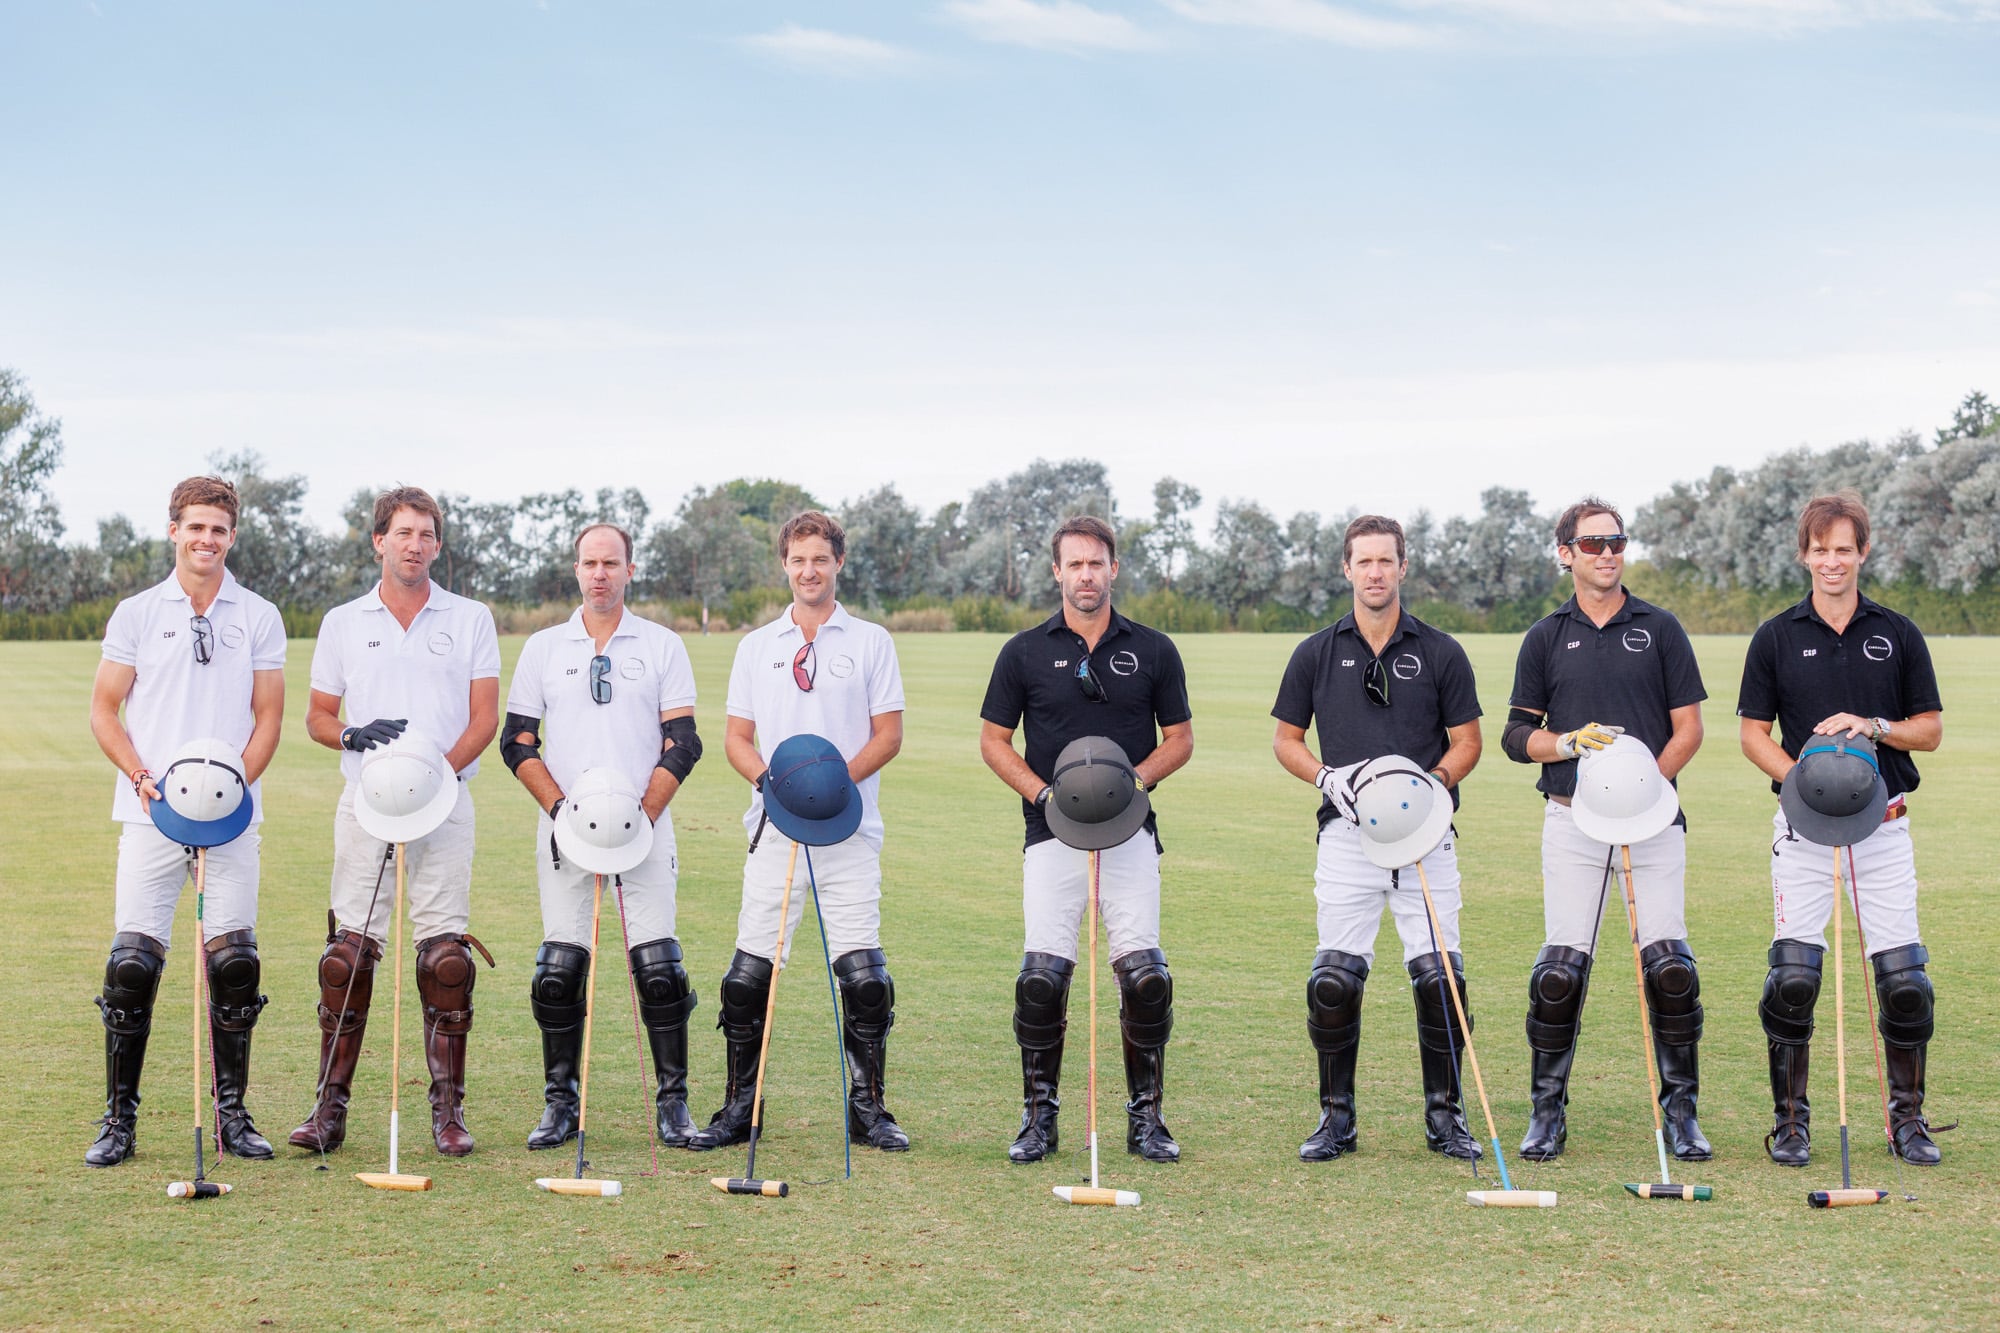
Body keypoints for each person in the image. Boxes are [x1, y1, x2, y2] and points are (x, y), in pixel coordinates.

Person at [687, 510, 910, 1153]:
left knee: (863, 974)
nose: (808, 570)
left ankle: (868, 1109)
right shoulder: (757, 646)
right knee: (748, 974)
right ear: (784, 565)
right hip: (774, 829)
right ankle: (739, 1107)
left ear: (838, 563)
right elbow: (736, 738)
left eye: (820, 558)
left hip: (850, 829)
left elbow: (887, 735)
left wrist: (834, 787)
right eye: (797, 559)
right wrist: (772, 785)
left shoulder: (871, 642)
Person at [289, 487, 500, 1157]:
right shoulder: (343, 621)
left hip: (445, 802)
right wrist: (352, 735)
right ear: (378, 540)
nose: (415, 543)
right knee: (346, 958)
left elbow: (484, 718)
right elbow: (318, 715)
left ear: (439, 544)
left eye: (427, 533)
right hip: (367, 803)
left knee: (445, 961)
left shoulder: (471, 617)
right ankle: (329, 1107)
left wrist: (437, 775)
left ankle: (449, 1113)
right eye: (403, 532)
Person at [1738, 490, 1946, 1166]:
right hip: (1803, 831)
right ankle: (1792, 1122)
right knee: (1793, 976)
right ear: (1805, 554)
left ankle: (1906, 1121)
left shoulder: (1899, 632)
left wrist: (1874, 725)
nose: (1833, 561)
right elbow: (1751, 734)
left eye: (1844, 549)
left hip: (1883, 828)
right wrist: (1800, 781)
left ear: (1862, 552)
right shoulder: (1775, 635)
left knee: (1905, 980)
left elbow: (1931, 731)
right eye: (1821, 549)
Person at [979, 515, 1195, 1165]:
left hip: (1130, 835)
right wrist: (1044, 793)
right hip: (1051, 835)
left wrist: (1136, 782)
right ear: (1057, 572)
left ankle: (1146, 1118)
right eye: (1074, 564)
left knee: (1146, 978)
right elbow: (994, 740)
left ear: (1113, 568)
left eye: (1096, 563)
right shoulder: (1023, 651)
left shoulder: (1153, 649)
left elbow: (1179, 738)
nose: (1086, 574)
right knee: (1042, 979)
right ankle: (1038, 1118)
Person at [84, 476, 286, 1167]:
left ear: (233, 536)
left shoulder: (258, 614)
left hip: (231, 817)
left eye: (219, 529)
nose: (206, 539)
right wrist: (145, 782)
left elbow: (268, 718)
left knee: (234, 963)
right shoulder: (137, 613)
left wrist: (229, 794)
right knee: (132, 966)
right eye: (195, 527)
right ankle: (119, 1119)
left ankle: (232, 1115)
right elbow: (105, 711)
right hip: (149, 814)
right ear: (174, 529)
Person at [1501, 497, 1710, 1162]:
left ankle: (1681, 1114)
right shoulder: (1544, 635)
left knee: (1670, 967)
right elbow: (1514, 735)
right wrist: (1563, 743)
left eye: (1616, 541)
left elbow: (1689, 729)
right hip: (1571, 820)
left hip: (1653, 824)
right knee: (1559, 972)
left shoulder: (1661, 628)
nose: (1607, 553)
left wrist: (1647, 787)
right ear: (1565, 553)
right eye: (1591, 544)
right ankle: (1546, 1113)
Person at [1270, 515, 1484, 1162]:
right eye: (1364, 561)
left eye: (1386, 560)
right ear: (1347, 568)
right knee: (1334, 976)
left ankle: (1445, 1117)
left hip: (1426, 837)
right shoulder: (1314, 651)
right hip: (1346, 835)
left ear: (1402, 567)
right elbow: (1286, 739)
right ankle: (1336, 1118)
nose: (1375, 572)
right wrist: (1327, 777)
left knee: (1440, 975)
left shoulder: (1442, 650)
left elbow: (1467, 741)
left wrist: (1436, 787)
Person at [501, 522, 703, 1151]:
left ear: (630, 570)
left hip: (644, 828)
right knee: (559, 971)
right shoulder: (542, 647)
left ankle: (674, 1105)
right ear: (576, 569)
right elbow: (516, 743)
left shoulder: (663, 644)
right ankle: (560, 1104)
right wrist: (565, 812)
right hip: (565, 830)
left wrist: (639, 815)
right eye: (589, 563)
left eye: (611, 563)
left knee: (660, 969)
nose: (599, 574)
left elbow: (684, 742)